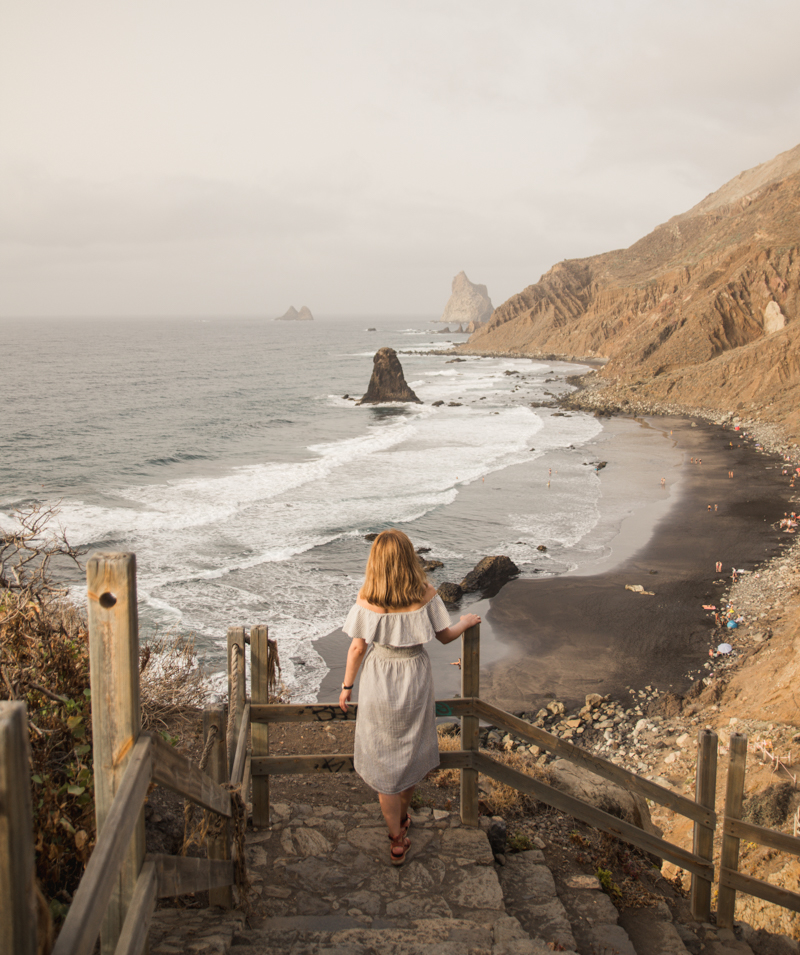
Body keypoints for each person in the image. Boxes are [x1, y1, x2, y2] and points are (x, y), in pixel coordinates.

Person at [339, 529, 480, 865]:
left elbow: (358, 647)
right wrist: (466, 621)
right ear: (409, 558)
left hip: (379, 677)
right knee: (409, 748)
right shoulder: (426, 593)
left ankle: (396, 838)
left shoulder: (367, 597)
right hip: (414, 675)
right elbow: (445, 637)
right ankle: (403, 819)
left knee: (383, 753)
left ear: (376, 561)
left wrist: (347, 687)